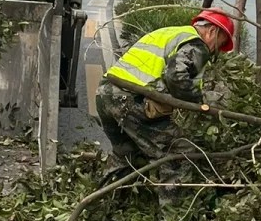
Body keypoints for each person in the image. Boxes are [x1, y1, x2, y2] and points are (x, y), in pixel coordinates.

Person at [96, 10, 235, 191]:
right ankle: (173, 217)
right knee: (178, 154)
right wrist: (198, 103)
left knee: (126, 154)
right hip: (129, 100)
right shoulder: (197, 44)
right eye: (220, 43)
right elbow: (177, 76)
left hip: (105, 94)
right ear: (212, 32)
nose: (215, 50)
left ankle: (100, 207)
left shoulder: (172, 33)